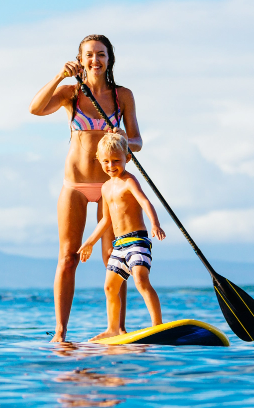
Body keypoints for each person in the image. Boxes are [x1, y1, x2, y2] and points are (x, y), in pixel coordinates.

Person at [29, 34, 142, 343]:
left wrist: (123, 139)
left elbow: (138, 142)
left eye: (101, 54)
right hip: (76, 185)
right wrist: (58, 76)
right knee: (68, 256)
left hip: (112, 186)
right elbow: (35, 109)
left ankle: (117, 329)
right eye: (89, 55)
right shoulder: (71, 93)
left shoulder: (123, 96)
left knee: (115, 257)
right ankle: (61, 333)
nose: (95, 60)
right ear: (80, 60)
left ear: (110, 59)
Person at [78, 132, 166, 340]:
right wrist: (89, 241)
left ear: (128, 157)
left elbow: (145, 202)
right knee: (110, 287)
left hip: (137, 240)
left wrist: (154, 223)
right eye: (106, 161)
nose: (111, 165)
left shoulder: (129, 181)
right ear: (99, 160)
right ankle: (113, 328)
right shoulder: (106, 187)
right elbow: (105, 220)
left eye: (116, 160)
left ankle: (158, 325)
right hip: (119, 246)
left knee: (141, 279)